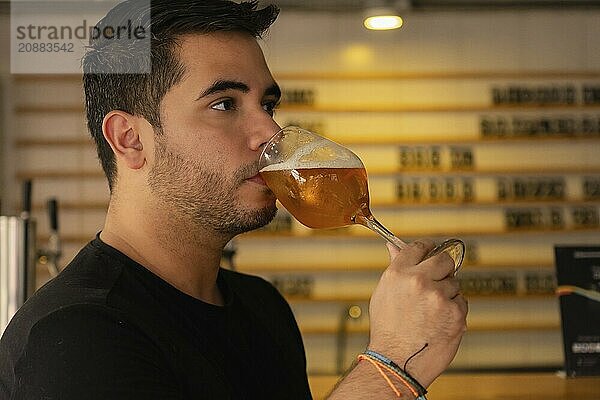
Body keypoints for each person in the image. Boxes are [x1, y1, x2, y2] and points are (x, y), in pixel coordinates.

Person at [0, 1, 467, 399]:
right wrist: (392, 366)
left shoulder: (262, 308)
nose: (270, 132)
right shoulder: (75, 335)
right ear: (130, 140)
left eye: (268, 105)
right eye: (225, 104)